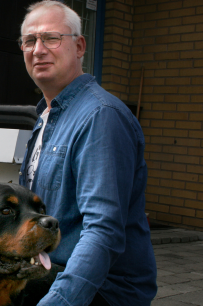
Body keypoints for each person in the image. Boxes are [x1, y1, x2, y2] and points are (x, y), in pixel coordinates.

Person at [17, 1, 157, 305]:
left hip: (99, 291)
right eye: (29, 40)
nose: (38, 49)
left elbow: (103, 231)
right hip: (50, 272)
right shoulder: (45, 115)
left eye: (51, 38)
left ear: (79, 46)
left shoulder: (100, 117)